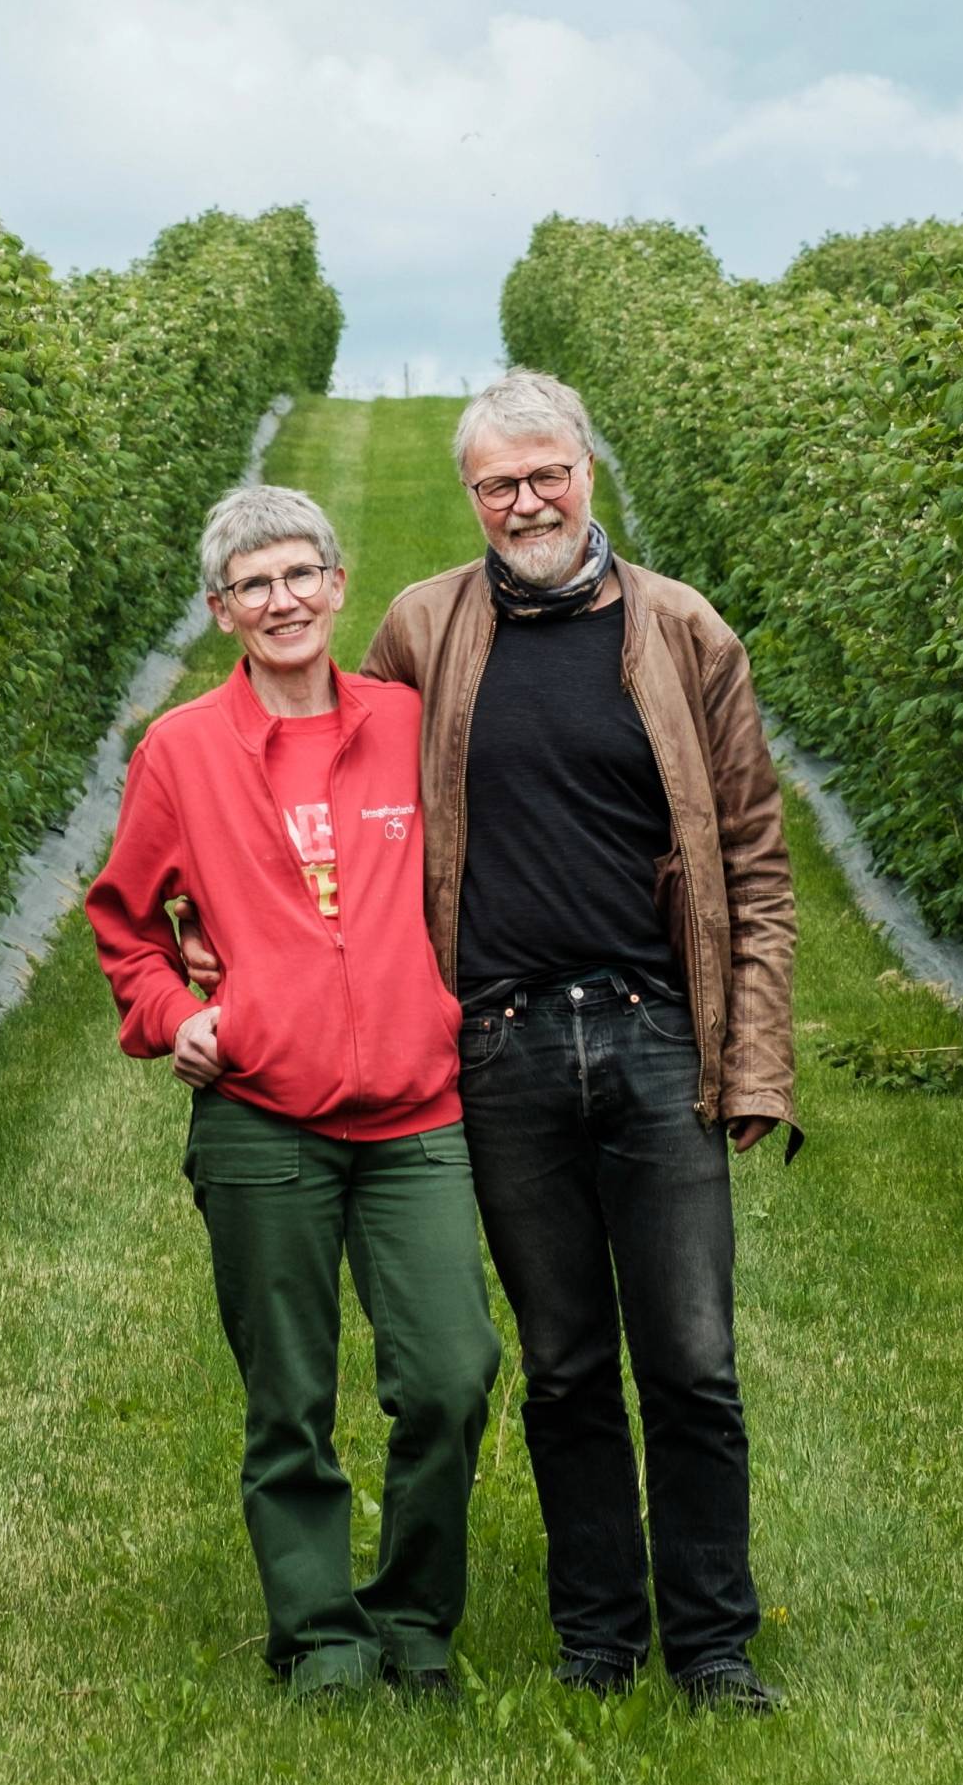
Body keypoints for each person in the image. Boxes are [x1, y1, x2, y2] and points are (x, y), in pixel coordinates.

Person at [188, 372, 799, 1711]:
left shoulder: (687, 633)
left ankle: (711, 1644)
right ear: (472, 497)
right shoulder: (426, 628)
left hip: (652, 1041)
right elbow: (314, 804)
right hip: (501, 1047)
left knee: (690, 1359)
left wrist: (752, 1059)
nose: (524, 501)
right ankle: (596, 1636)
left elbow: (751, 858)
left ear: (587, 469)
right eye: (496, 485)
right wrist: (204, 968)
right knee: (566, 1361)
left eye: (546, 475)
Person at [85, 484, 500, 1701]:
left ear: (336, 584)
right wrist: (180, 1019)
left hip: (418, 1110)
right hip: (264, 1118)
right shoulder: (181, 751)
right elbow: (124, 926)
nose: (282, 600)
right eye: (252, 585)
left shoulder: (406, 726)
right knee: (289, 1391)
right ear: (222, 612)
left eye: (299, 575)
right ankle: (320, 1631)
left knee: (452, 1371)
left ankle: (416, 1614)